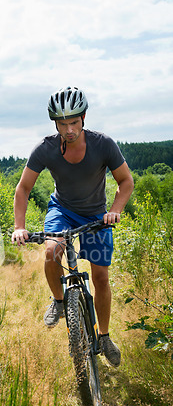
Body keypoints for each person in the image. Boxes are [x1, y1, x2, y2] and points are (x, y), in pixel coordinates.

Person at [11, 86, 134, 367]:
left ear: (84, 118)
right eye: (62, 124)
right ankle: (58, 300)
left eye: (74, 122)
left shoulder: (103, 144)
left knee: (100, 277)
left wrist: (115, 211)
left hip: (96, 216)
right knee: (52, 250)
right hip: (62, 210)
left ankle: (103, 336)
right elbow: (24, 188)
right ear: (55, 123)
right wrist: (19, 226)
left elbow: (125, 181)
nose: (68, 130)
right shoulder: (46, 148)